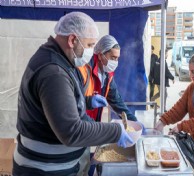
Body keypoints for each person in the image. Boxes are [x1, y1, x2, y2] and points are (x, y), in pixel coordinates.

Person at [13, 12, 133, 176]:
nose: (92, 51)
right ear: (72, 40)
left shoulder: (62, 62)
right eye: (90, 45)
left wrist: (88, 101)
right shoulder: (54, 72)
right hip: (42, 169)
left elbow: (58, 104)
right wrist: (115, 131)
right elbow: (71, 131)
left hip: (54, 166)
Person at [78, 35, 138, 122]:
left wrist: (134, 122)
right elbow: (72, 100)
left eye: (117, 58)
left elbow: (117, 102)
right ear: (100, 55)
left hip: (94, 124)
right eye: (113, 58)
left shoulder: (108, 75)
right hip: (80, 124)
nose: (115, 62)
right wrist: (88, 101)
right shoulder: (85, 69)